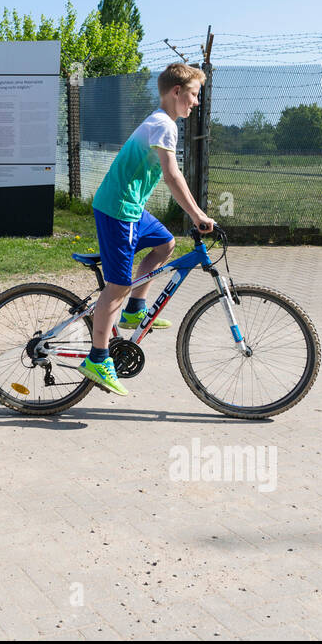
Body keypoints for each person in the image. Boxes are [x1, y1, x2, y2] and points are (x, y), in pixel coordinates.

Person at [79, 63, 215, 397]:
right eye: (194, 95)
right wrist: (197, 214)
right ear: (177, 92)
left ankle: (134, 312)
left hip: (131, 208)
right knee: (118, 284)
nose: (196, 103)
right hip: (118, 211)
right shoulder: (163, 125)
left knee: (165, 244)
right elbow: (172, 176)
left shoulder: (162, 122)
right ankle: (97, 358)